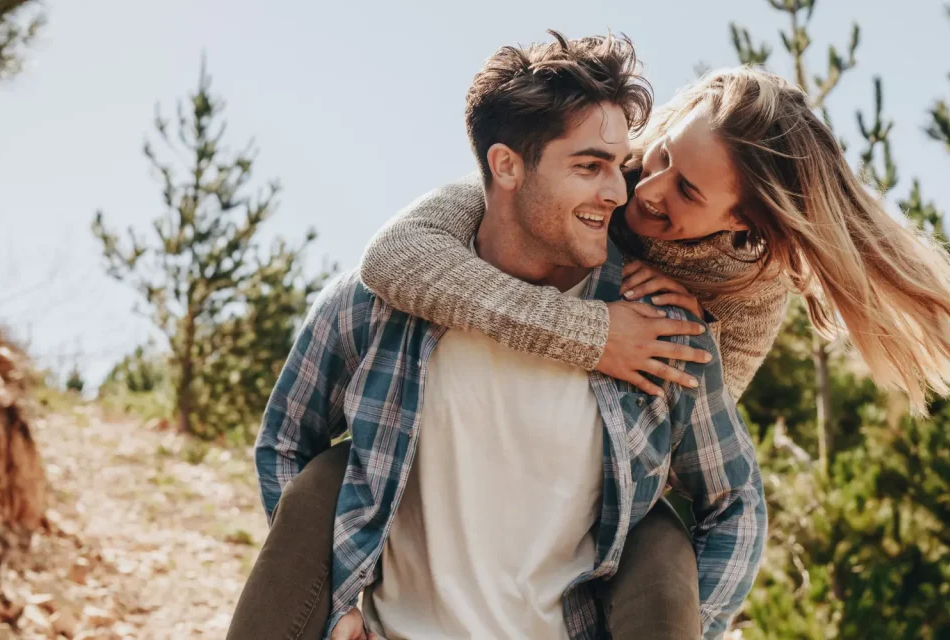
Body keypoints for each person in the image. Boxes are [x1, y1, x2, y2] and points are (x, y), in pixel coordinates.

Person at [229, 32, 765, 640]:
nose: (621, 192)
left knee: (661, 538)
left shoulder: (661, 329)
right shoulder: (384, 302)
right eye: (589, 166)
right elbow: (285, 440)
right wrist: (337, 604)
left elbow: (736, 504)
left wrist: (701, 623)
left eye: (618, 166)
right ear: (507, 165)